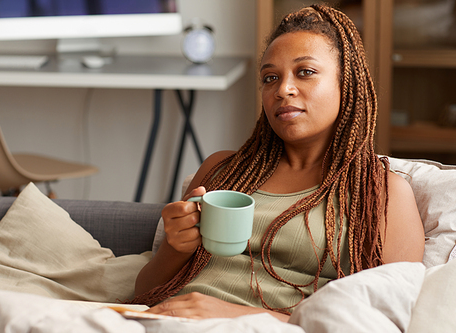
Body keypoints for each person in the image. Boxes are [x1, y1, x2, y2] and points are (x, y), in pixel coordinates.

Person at [131, 4, 425, 322]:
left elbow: (386, 320)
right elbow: (144, 292)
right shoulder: (223, 170)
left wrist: (241, 316)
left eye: (305, 72)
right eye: (270, 78)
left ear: (347, 82)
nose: (282, 90)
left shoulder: (381, 194)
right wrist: (175, 248)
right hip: (158, 320)